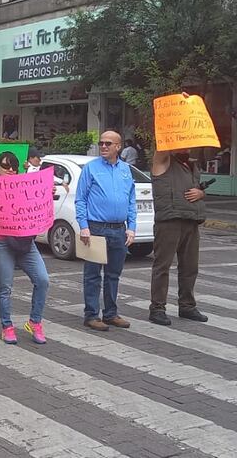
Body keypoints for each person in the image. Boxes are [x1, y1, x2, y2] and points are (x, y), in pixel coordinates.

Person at [0, 152, 51, 345]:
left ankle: (35, 322)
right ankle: (7, 326)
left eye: (13, 166)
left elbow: (39, 205)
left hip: (26, 243)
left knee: (42, 280)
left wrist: (47, 195)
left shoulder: (25, 184)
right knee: (5, 286)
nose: (10, 170)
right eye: (5, 166)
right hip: (2, 242)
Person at [76, 130, 136, 331]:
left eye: (108, 143)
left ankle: (110, 313)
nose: (103, 146)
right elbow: (81, 199)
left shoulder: (126, 169)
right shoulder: (91, 168)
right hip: (96, 227)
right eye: (101, 143)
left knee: (114, 274)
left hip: (119, 229)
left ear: (118, 147)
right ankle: (91, 314)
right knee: (92, 274)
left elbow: (131, 200)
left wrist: (132, 227)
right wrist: (84, 226)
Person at [148, 148, 208, 325]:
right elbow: (160, 151)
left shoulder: (191, 164)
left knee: (190, 267)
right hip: (169, 221)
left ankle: (187, 306)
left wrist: (201, 193)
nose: (187, 145)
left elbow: (196, 190)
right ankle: (157, 309)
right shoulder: (163, 161)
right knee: (162, 266)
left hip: (191, 220)